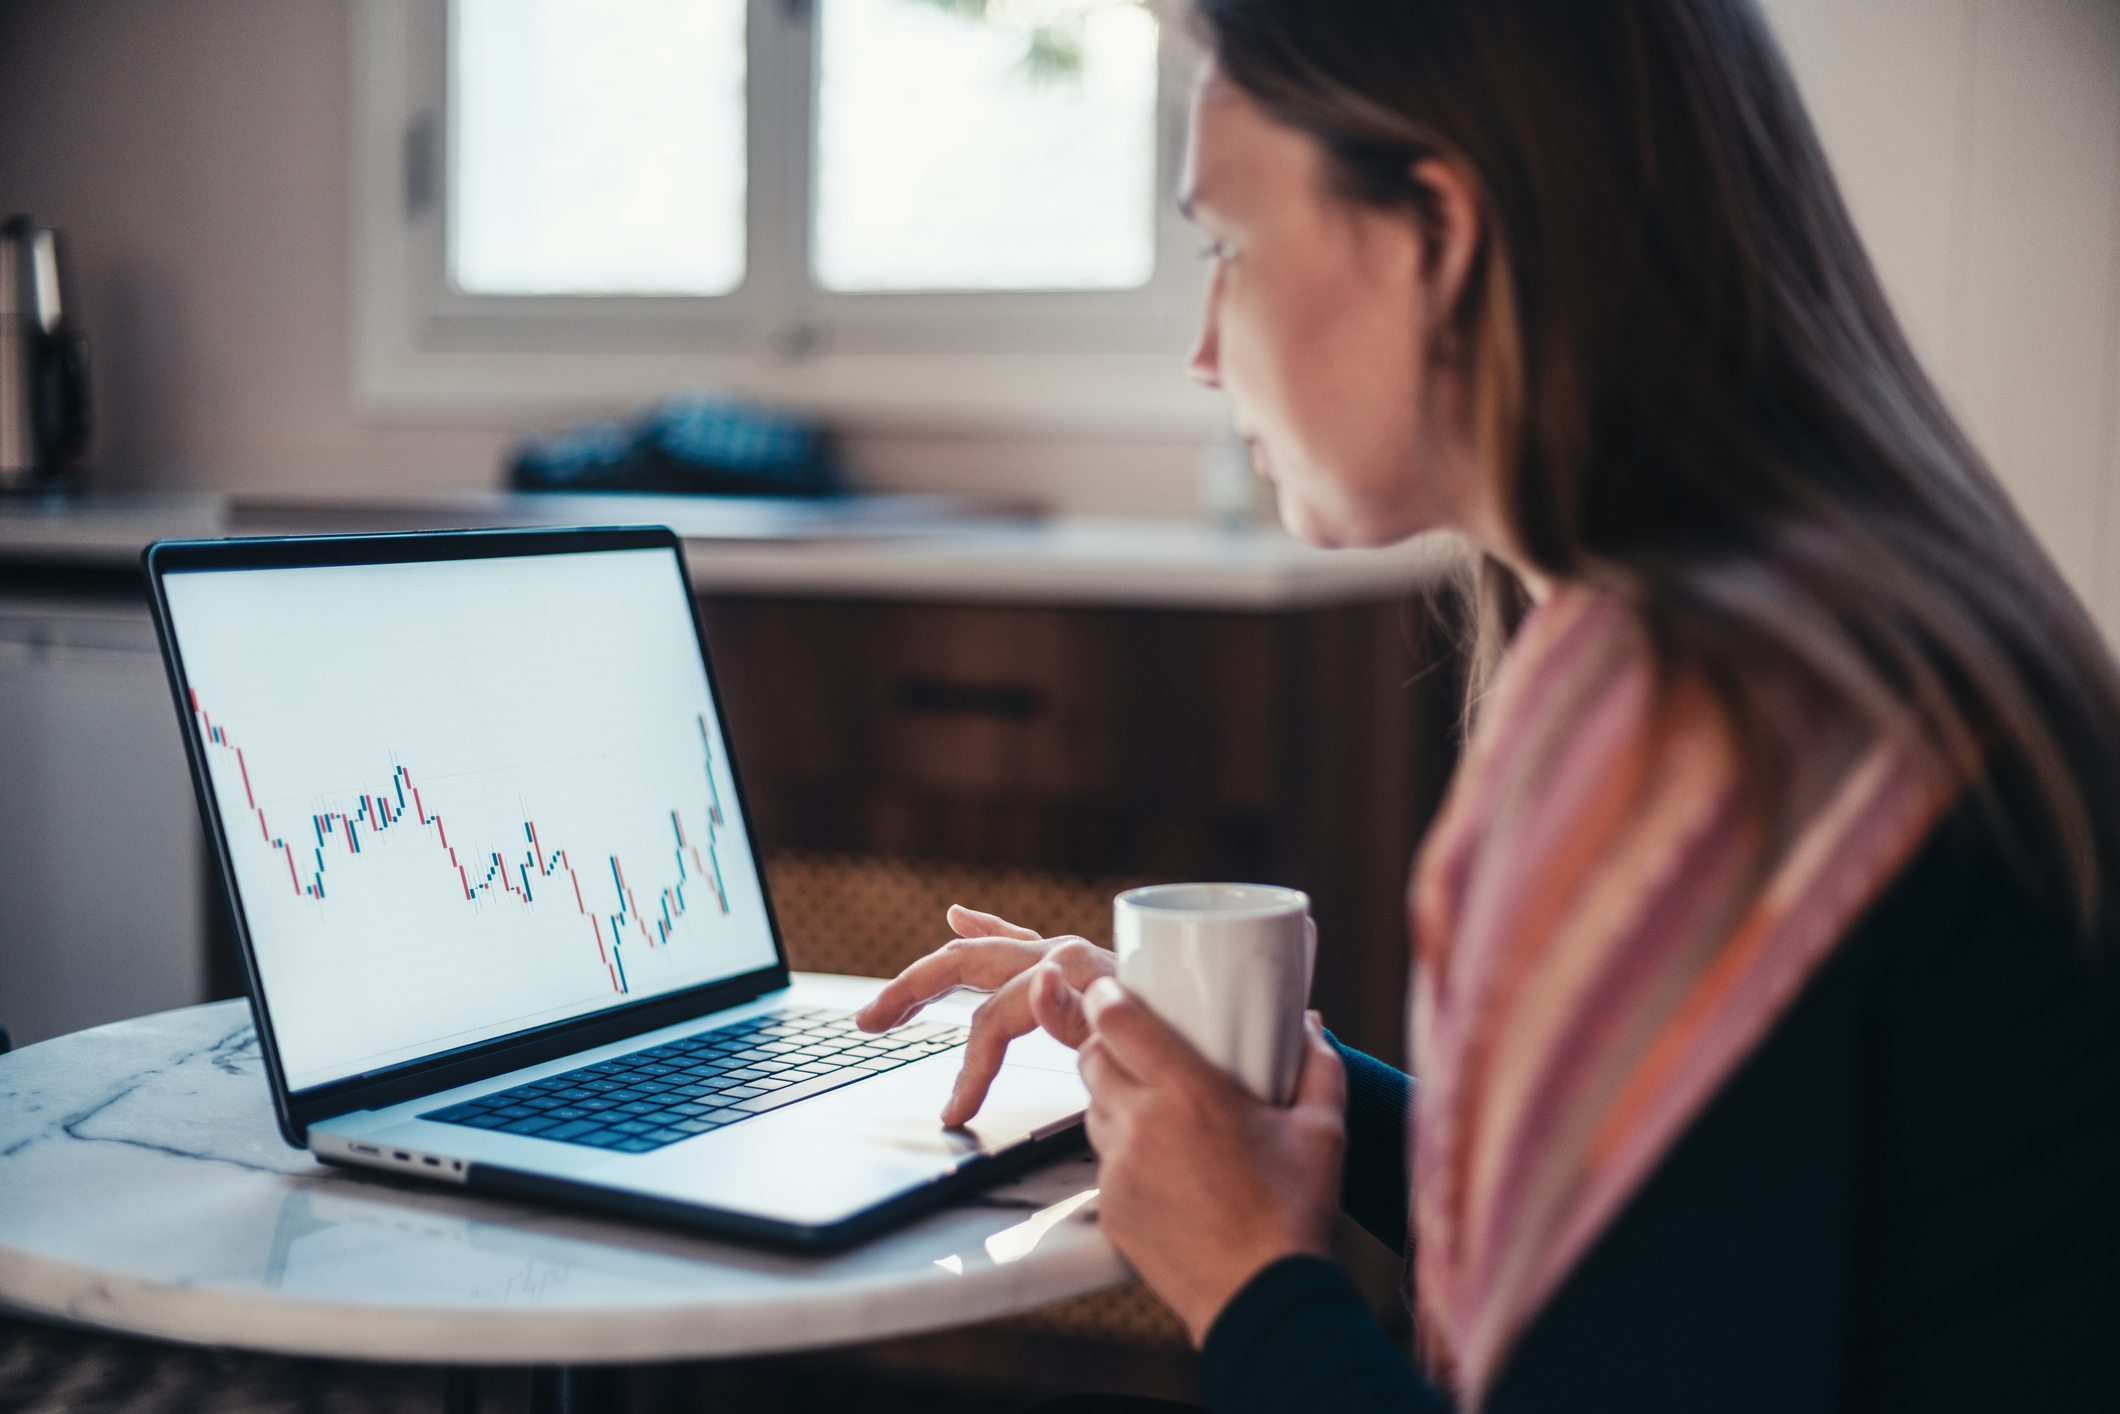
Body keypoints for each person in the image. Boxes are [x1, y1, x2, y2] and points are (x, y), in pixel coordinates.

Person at [855, 1, 2120, 1409]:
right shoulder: (1831, 625)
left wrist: (1245, 1274)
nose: (1203, 350)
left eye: (1226, 247)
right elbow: (1687, 1245)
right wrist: (1250, 1092)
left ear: (1438, 242)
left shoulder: (1685, 722)